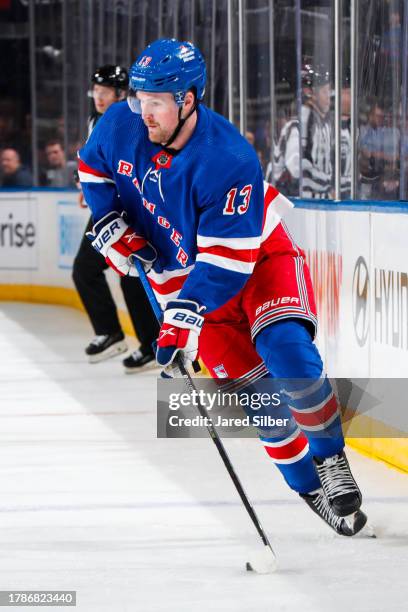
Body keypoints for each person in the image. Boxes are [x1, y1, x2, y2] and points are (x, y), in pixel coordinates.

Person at [79, 39, 366, 536]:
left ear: (188, 99)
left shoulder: (227, 157)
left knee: (287, 353)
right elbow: (92, 171)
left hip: (254, 260)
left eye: (156, 103)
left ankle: (330, 458)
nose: (142, 113)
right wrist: (109, 222)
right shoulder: (120, 123)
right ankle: (308, 489)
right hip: (181, 278)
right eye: (138, 99)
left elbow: (226, 265)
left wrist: (183, 319)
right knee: (264, 406)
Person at [72, 64, 159, 369]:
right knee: (127, 275)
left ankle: (124, 336)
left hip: (125, 205)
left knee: (91, 268)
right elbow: (91, 160)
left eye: (105, 91)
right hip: (107, 205)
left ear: (121, 94)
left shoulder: (129, 120)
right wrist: (84, 183)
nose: (99, 96)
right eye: (96, 90)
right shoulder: (97, 118)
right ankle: (148, 341)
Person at [272, 62, 333, 199]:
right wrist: (328, 184)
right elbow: (296, 169)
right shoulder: (298, 125)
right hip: (289, 207)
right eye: (325, 91)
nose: (329, 98)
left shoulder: (320, 125)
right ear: (309, 93)